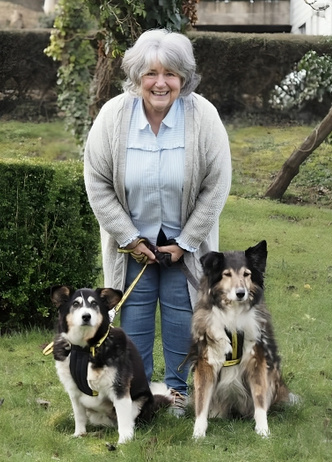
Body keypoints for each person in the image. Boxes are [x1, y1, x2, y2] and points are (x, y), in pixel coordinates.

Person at [83, 29, 232, 415]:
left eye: (171, 74)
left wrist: (186, 242)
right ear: (136, 77)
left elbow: (217, 186)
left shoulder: (204, 116)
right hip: (132, 244)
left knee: (185, 311)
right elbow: (97, 184)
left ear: (184, 78)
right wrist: (130, 239)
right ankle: (137, 391)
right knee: (133, 313)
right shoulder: (113, 116)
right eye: (151, 73)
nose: (160, 83)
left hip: (185, 242)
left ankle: (181, 392)